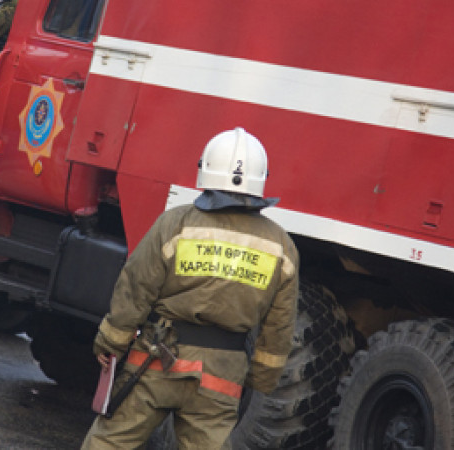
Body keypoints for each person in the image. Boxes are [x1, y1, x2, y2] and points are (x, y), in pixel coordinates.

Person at [81, 128, 300, 449]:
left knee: (110, 442)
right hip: (222, 375)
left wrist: (110, 342)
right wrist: (260, 379)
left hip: (156, 360)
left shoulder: (176, 224)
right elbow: (279, 325)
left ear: (205, 168)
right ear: (261, 180)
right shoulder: (281, 246)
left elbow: (136, 286)